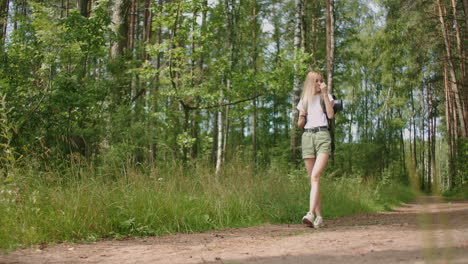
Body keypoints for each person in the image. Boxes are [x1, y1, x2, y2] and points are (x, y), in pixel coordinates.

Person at [296, 71, 334, 228]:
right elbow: (300, 125)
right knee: (313, 179)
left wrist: (325, 94)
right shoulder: (304, 100)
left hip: (322, 135)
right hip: (307, 137)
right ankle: (319, 217)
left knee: (316, 176)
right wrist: (302, 117)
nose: (319, 83)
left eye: (321, 80)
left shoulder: (327, 97)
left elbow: (331, 115)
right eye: (316, 81)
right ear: (310, 83)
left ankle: (310, 213)